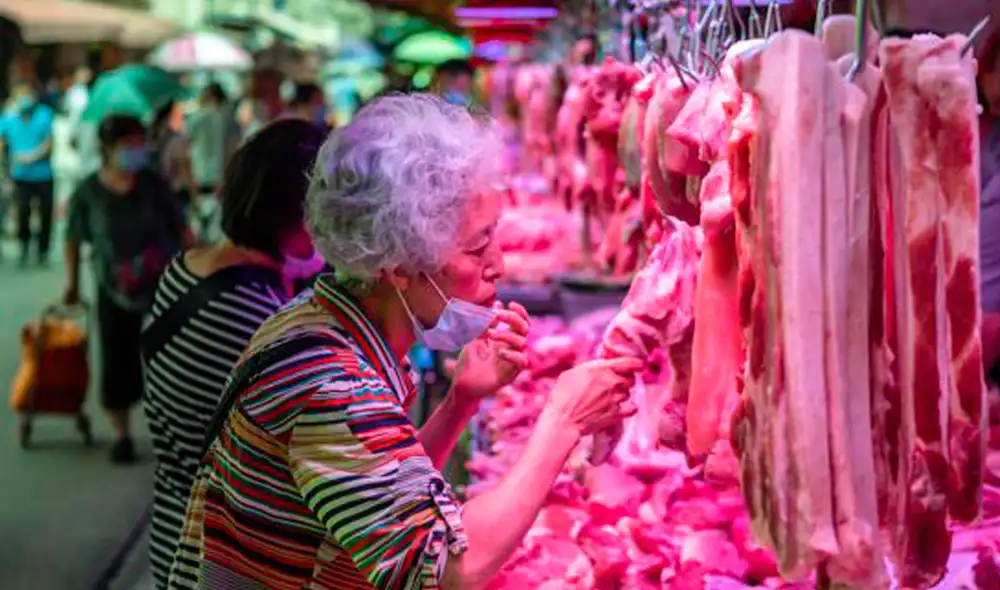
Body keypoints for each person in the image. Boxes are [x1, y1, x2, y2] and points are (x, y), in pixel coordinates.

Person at [167, 94, 639, 589]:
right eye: (478, 246)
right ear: (397, 266)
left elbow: (383, 490)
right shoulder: (332, 387)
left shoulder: (315, 321)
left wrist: (461, 400)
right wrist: (562, 422)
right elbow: (445, 570)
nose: (498, 263)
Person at [143, 119, 326, 590]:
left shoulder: (186, 268)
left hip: (175, 524)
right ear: (298, 213)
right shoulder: (255, 318)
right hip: (219, 556)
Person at [64, 114, 190, 464]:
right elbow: (73, 238)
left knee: (172, 360)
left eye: (140, 142)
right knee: (116, 361)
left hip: (166, 286)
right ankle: (122, 435)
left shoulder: (154, 184)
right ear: (107, 148)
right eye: (129, 144)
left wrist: (197, 270)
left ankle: (176, 431)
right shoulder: (89, 191)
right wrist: (72, 284)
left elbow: (182, 230)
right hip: (113, 288)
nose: (138, 150)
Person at [0, 81, 56, 267]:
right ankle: (24, 245)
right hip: (20, 175)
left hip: (43, 174)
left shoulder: (44, 114)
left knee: (45, 213)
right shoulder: (9, 118)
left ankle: (43, 250)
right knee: (23, 211)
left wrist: (32, 156)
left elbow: (49, 143)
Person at [186, 83, 230, 242]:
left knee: (198, 225)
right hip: (219, 178)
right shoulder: (226, 119)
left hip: (198, 176)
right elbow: (230, 149)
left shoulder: (194, 118)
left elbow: (188, 148)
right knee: (216, 230)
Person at [149, 100, 196, 222]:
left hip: (156, 192)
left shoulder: (151, 136)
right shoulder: (177, 139)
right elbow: (184, 167)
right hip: (176, 193)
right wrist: (194, 194)